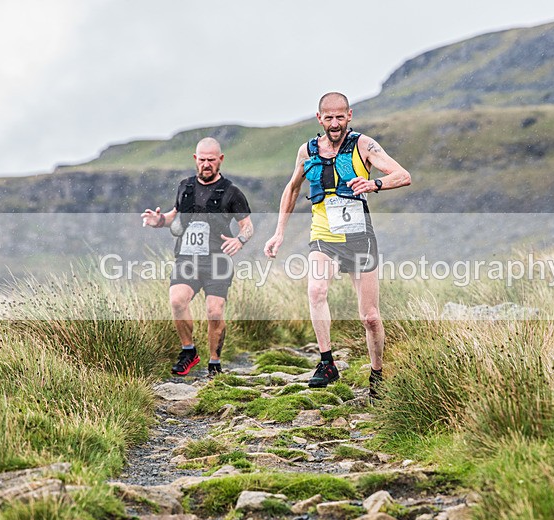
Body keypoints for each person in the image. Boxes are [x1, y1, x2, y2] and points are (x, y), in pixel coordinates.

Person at [263, 92, 411, 400]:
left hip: (359, 237)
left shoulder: (363, 145)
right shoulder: (307, 151)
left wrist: (375, 184)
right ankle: (327, 362)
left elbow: (403, 175)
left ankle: (377, 373)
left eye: (340, 117)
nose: (334, 123)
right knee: (316, 291)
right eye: (328, 117)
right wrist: (278, 233)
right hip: (324, 236)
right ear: (319, 118)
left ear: (350, 115)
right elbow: (291, 191)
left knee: (369, 316)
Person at [141, 137, 253, 377]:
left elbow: (248, 226)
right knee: (176, 301)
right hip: (187, 258)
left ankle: (214, 363)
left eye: (211, 160)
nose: (206, 164)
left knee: (214, 311)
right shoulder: (185, 186)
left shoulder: (232, 192)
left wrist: (239, 240)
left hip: (217, 261)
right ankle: (189, 351)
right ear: (195, 159)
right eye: (202, 160)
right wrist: (159, 221)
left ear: (220, 160)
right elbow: (175, 216)